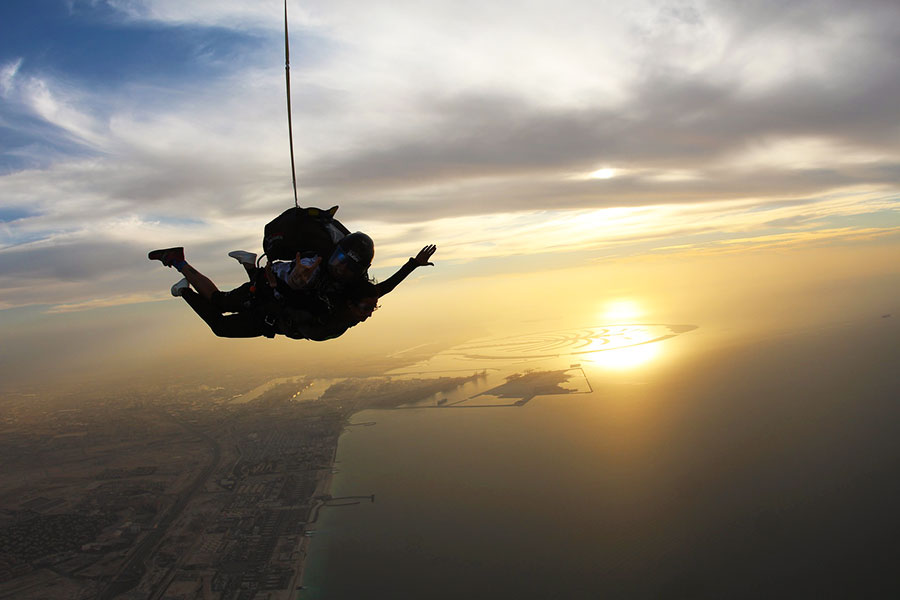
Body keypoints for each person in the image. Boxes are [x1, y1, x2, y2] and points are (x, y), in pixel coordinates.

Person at [147, 244, 436, 340]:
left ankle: (250, 269)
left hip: (273, 295)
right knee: (220, 322)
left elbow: (384, 288)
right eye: (366, 309)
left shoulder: (350, 295)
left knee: (221, 301)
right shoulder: (334, 317)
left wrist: (413, 265)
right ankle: (183, 284)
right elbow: (296, 311)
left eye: (371, 309)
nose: (368, 313)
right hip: (269, 309)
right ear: (351, 302)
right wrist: (414, 264)